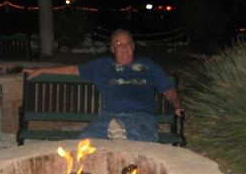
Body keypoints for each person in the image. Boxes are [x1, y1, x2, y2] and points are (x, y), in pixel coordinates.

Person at [24, 28, 184, 141]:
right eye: (119, 45)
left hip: (141, 118)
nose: (124, 48)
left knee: (137, 140)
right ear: (113, 49)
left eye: (127, 43)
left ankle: (124, 153)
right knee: (84, 143)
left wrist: (177, 106)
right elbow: (73, 69)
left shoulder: (148, 66)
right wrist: (41, 70)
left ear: (133, 46)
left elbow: (168, 89)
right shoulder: (102, 66)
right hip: (108, 119)